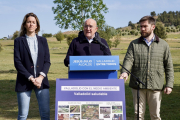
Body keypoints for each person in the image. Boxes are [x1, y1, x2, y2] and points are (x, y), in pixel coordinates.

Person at [119, 16, 174, 120]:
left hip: (156, 86)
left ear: (153, 27)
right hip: (137, 86)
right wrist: (125, 72)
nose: (142, 29)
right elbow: (128, 60)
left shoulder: (163, 45)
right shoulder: (134, 44)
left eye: (145, 26)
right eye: (140, 27)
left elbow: (169, 66)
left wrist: (169, 84)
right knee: (138, 116)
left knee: (155, 116)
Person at [14, 12, 51, 120]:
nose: (31, 24)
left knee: (45, 115)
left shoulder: (43, 40)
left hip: (41, 81)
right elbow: (17, 62)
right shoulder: (18, 41)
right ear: (24, 24)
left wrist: (40, 78)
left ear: (37, 25)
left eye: (33, 22)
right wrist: (31, 78)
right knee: (22, 115)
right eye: (29, 22)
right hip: (24, 81)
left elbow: (47, 61)